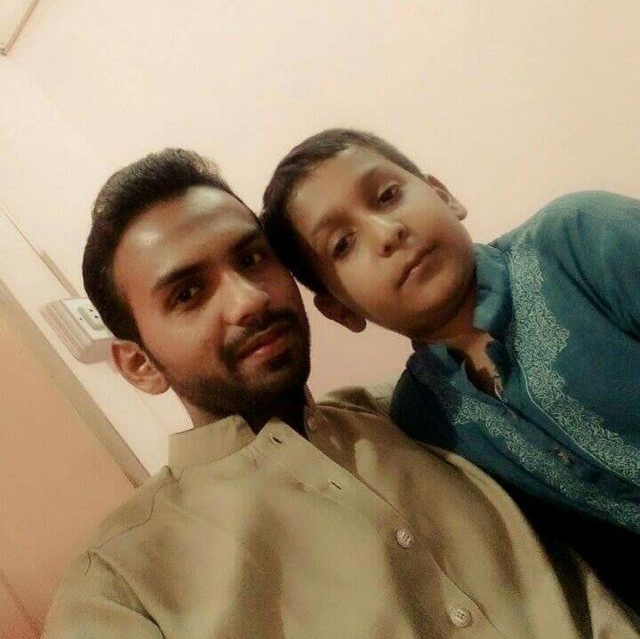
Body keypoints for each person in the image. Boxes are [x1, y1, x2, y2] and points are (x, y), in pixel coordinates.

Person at [43, 149, 637, 638]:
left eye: (252, 258)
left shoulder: (421, 411)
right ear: (139, 364)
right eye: (188, 294)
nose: (249, 299)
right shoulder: (120, 584)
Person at [261, 127, 640, 611]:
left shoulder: (579, 240)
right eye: (343, 244)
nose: (387, 233)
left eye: (387, 196)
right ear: (340, 310)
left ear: (443, 195)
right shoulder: (423, 423)